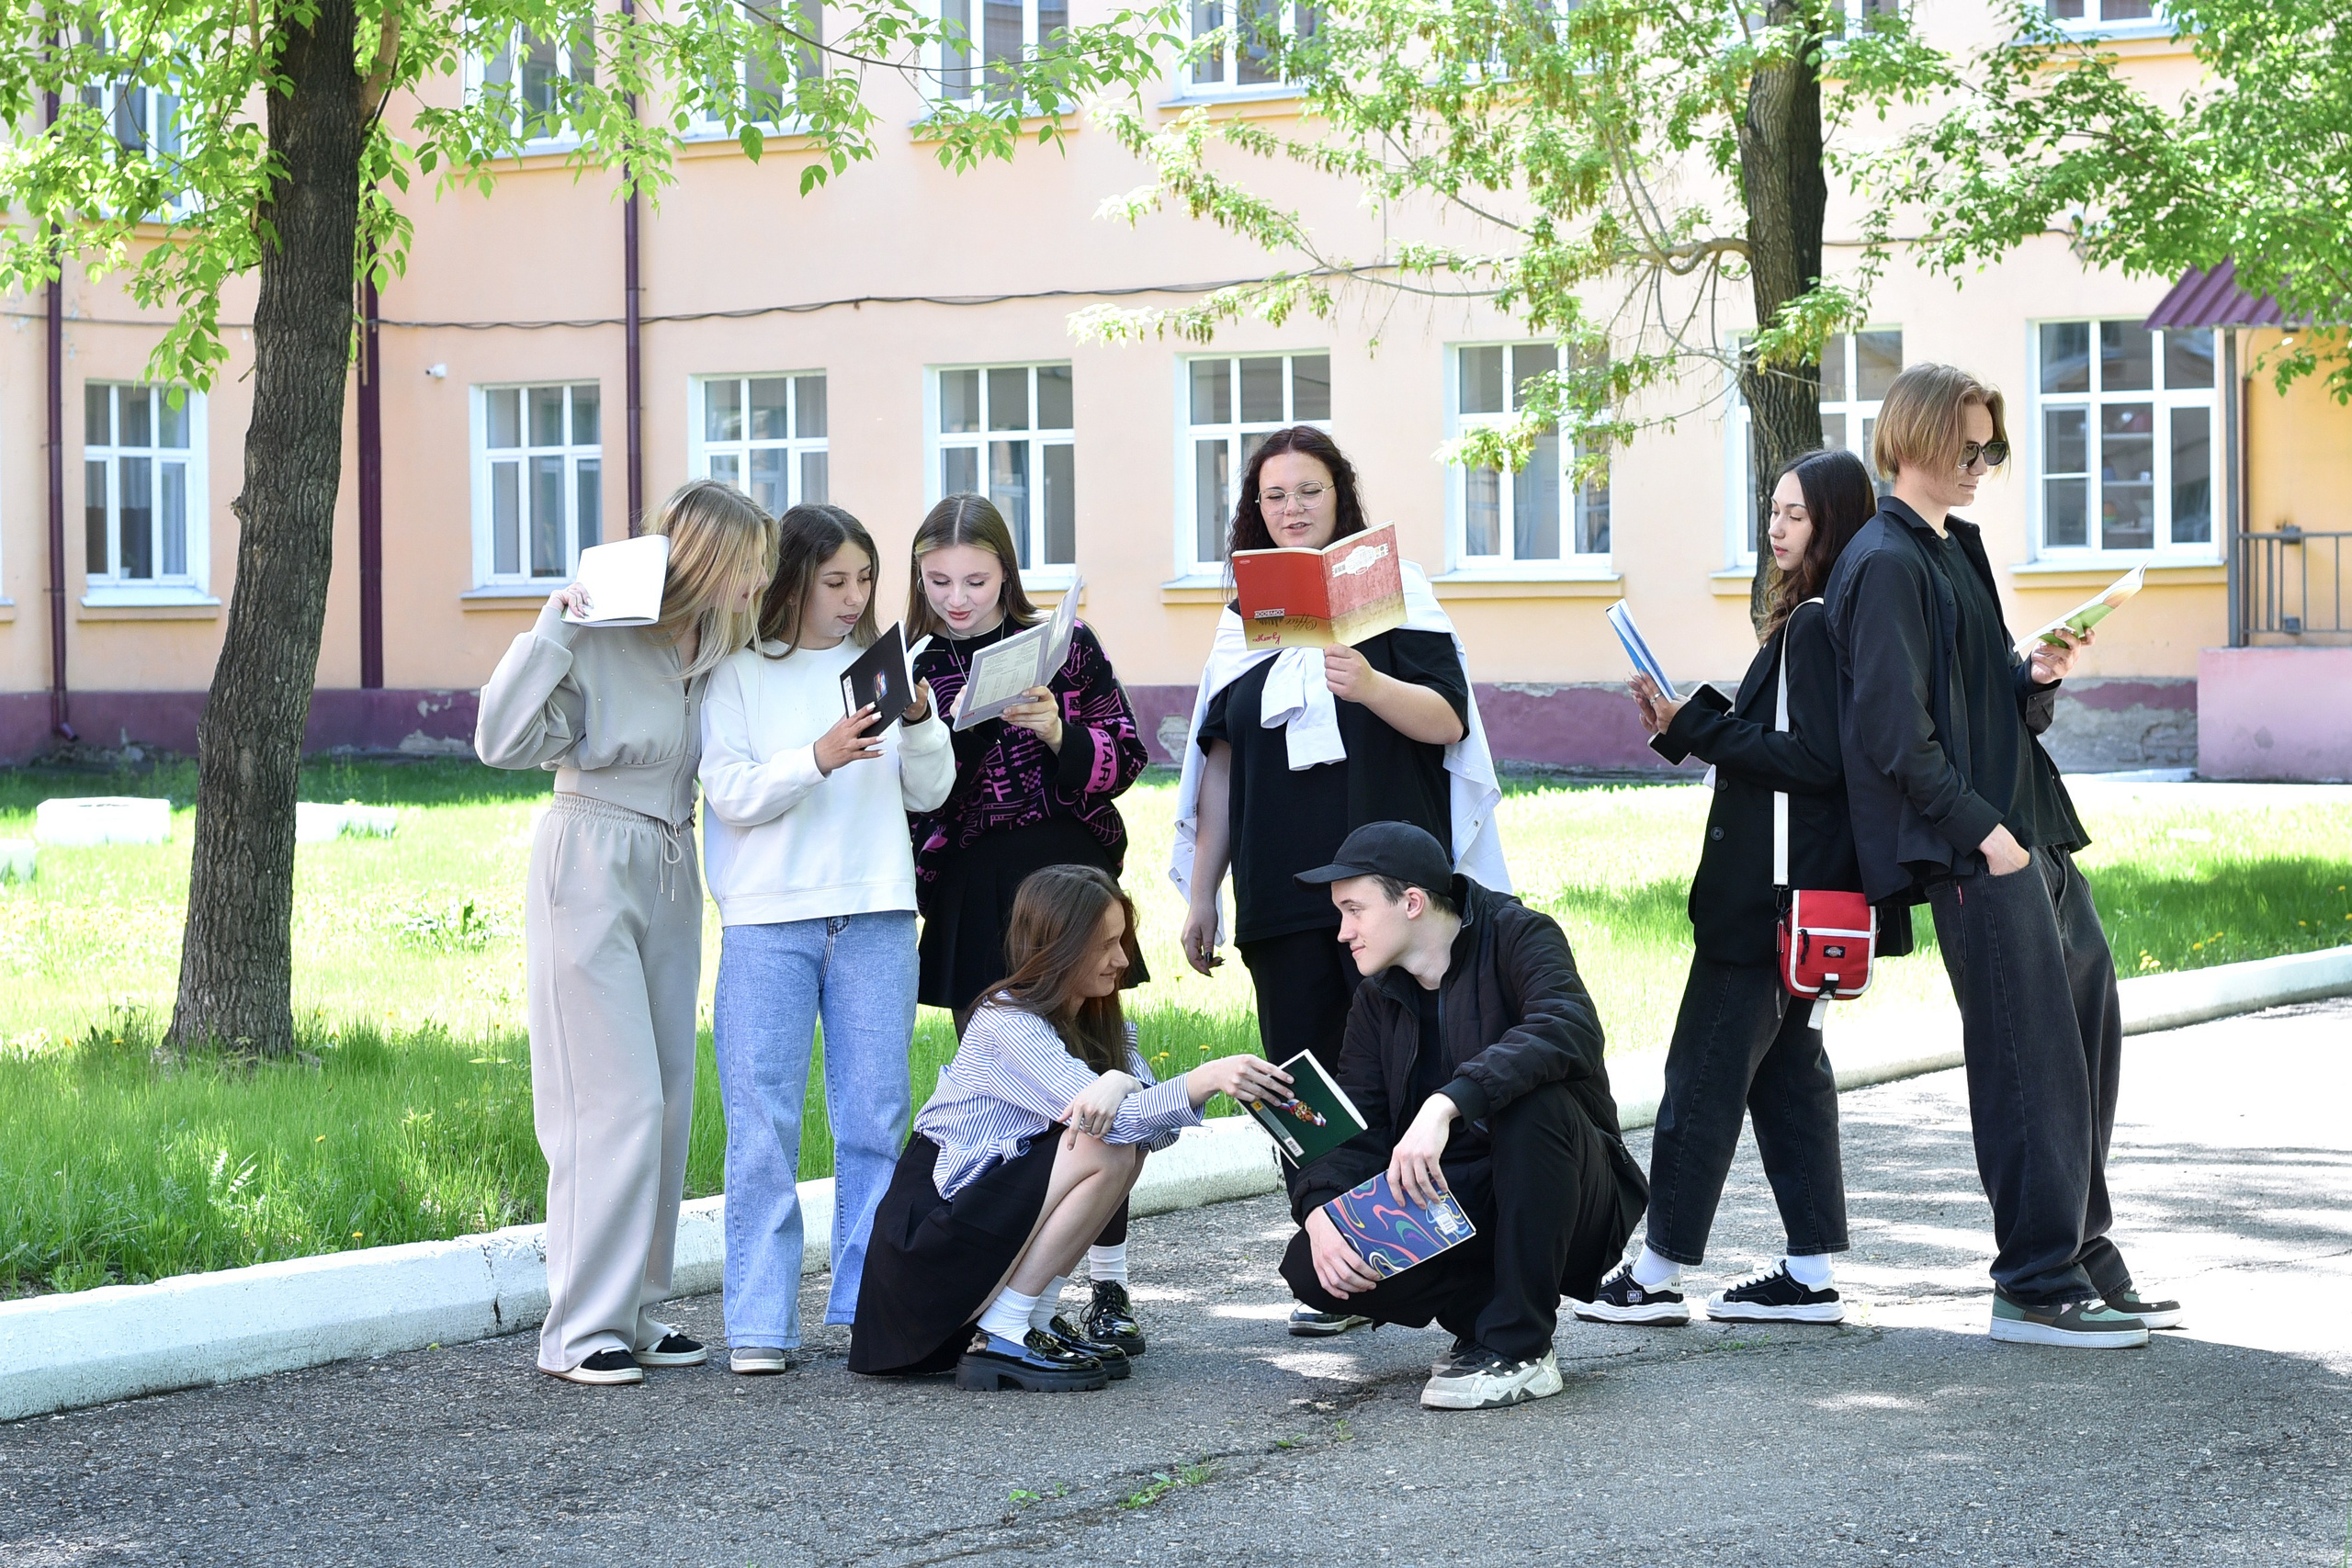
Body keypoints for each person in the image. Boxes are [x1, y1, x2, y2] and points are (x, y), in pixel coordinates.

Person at [1823, 362, 2178, 1349]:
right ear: (1911, 441)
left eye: (1991, 447)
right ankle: (2031, 1281)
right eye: (1966, 446)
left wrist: (2033, 671)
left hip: (2033, 832)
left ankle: (2080, 1255)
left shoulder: (1952, 548)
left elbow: (1978, 697)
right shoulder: (1884, 560)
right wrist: (1985, 837)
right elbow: (1895, 733)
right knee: (2027, 1067)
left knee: (2081, 1055)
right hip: (1981, 849)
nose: (1981, 464)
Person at [1170, 425, 1510, 1337]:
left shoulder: (1398, 596)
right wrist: (1202, 891)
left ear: (1340, 498)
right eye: (1275, 494)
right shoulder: (1239, 617)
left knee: (1403, 1063)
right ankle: (1339, 1264)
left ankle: (1425, 1263)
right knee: (1301, 1081)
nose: (1293, 508)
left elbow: (1448, 723)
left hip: (1390, 886)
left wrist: (1367, 684)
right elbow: (1221, 770)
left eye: (1309, 491)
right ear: (1255, 508)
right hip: (1282, 889)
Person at [1577, 448, 1907, 1329]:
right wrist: (1687, 726)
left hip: (1766, 903)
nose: (1775, 528)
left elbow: (1812, 762)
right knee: (1789, 1080)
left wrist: (1700, 727)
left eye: (1794, 515)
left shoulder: (1809, 629)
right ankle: (1808, 1270)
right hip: (1811, 905)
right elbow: (1786, 747)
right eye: (1771, 510)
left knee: (1703, 1077)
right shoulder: (1832, 618)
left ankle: (1653, 1274)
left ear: (1831, 522)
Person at [473, 478, 775, 1385]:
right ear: (708, 559)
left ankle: (636, 1313)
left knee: (668, 1101)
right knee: (610, 1103)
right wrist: (553, 623)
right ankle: (578, 1329)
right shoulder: (599, 630)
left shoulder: (717, 640)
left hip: (672, 860)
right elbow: (501, 739)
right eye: (748, 564)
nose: (758, 581)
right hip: (590, 856)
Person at [849, 864, 1296, 1390]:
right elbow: (1119, 1127)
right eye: (1106, 944)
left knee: (1119, 1149)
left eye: (1122, 941)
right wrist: (1205, 1078)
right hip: (927, 1257)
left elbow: (1156, 1133)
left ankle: (1030, 1318)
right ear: (1058, 948)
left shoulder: (1097, 1021)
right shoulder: (1005, 1021)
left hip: (978, 1235)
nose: (1123, 960)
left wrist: (1120, 1082)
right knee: (1103, 1146)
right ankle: (1006, 1331)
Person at [699, 503, 954, 1375]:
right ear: (793, 580)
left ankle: (863, 1304)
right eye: (836, 581)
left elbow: (930, 791)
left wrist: (918, 721)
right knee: (762, 1118)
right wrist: (818, 755)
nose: (855, 599)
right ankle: (760, 1322)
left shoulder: (882, 669)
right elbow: (730, 790)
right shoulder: (737, 675)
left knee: (875, 1117)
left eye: (866, 581)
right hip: (767, 920)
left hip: (878, 911)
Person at [1281, 822, 1647, 1409]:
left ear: (1413, 903)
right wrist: (1320, 1209)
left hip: (1571, 1196)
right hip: (1458, 1202)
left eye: (1354, 910)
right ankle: (1482, 1321)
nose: (1343, 932)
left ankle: (1523, 1350)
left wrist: (1447, 1103)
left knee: (1533, 1102)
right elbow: (1353, 1123)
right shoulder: (1378, 997)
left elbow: (1566, 1027)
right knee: (1312, 1266)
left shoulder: (1518, 934)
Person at [904, 493, 1152, 1350]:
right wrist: (953, 728)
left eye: (976, 579)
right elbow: (916, 798)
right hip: (976, 890)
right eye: (939, 580)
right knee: (1018, 1094)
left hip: (1070, 885)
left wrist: (1060, 730)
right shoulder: (915, 664)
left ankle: (1111, 1287)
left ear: (1007, 572)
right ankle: (1012, 1288)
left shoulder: (1066, 645)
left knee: (1097, 1069)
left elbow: (1125, 757)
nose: (959, 597)